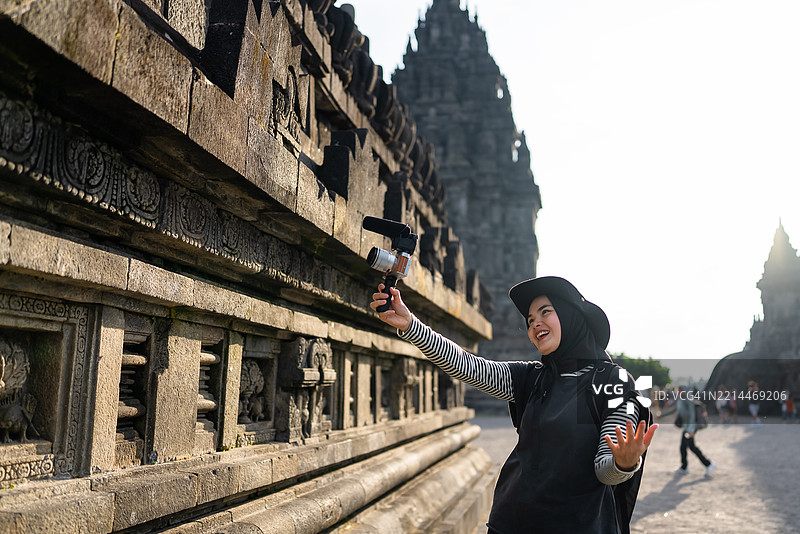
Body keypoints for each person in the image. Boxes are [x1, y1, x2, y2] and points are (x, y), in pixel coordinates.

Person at [370, 276, 658, 534]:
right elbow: (467, 365)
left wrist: (624, 463)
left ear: (571, 316)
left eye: (545, 312)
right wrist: (410, 325)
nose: (535, 324)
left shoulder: (611, 381)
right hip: (511, 523)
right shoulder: (531, 377)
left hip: (578, 524)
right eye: (530, 320)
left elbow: (605, 471)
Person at [674, 386, 716, 476]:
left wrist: (691, 430)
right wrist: (661, 415)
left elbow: (692, 416)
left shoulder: (689, 400)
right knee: (684, 447)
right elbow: (674, 410)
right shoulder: (680, 400)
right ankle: (684, 467)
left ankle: (709, 464)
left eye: (681, 390)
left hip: (691, 428)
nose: (680, 392)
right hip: (686, 428)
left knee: (691, 447)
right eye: (679, 390)